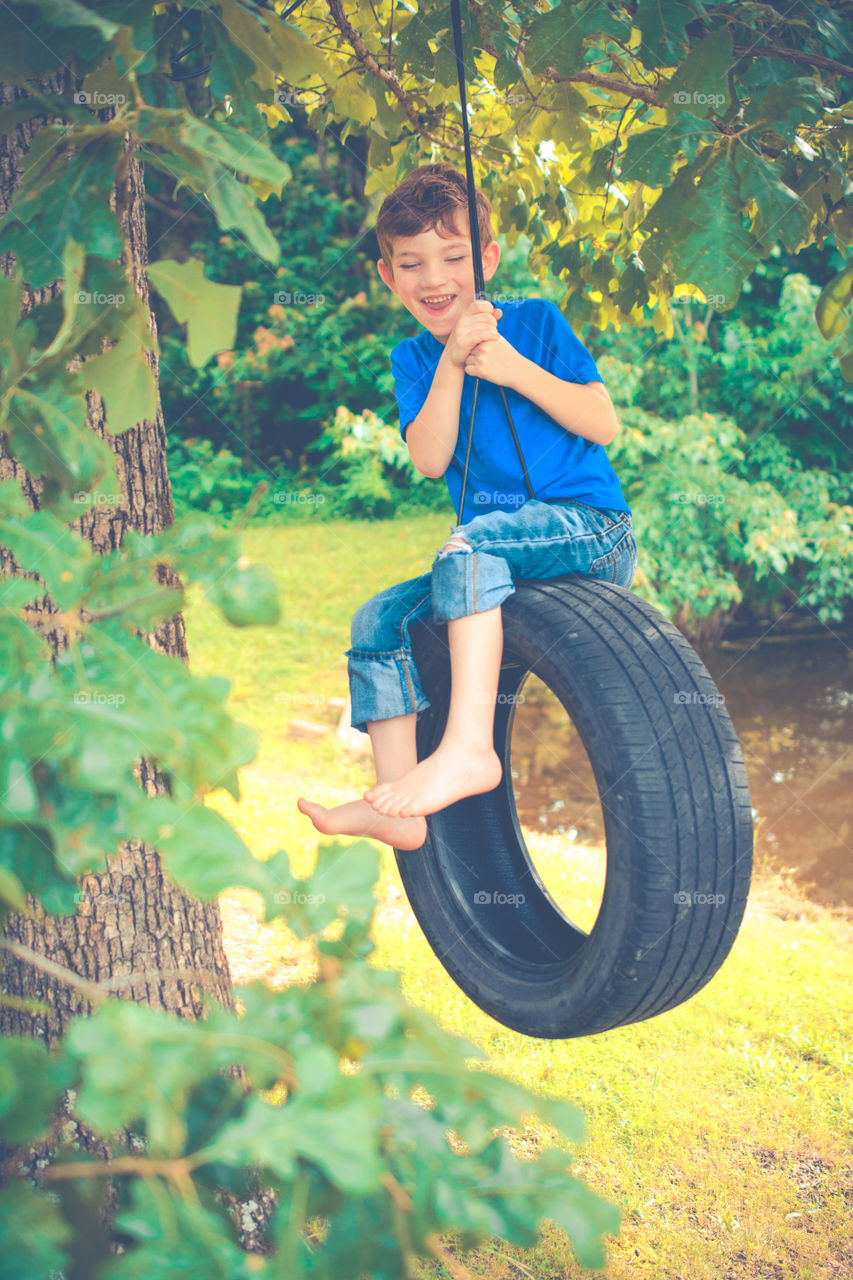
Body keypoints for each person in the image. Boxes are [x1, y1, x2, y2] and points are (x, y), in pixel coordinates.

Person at [298, 162, 637, 851]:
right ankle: (400, 809)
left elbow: (601, 423)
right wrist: (451, 362)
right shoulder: (413, 359)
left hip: (588, 528)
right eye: (411, 263)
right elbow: (428, 457)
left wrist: (512, 367)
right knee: (379, 620)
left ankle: (468, 750)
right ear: (386, 275)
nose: (434, 279)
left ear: (486, 259)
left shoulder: (536, 323)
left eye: (453, 257)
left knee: (470, 544)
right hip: (492, 554)